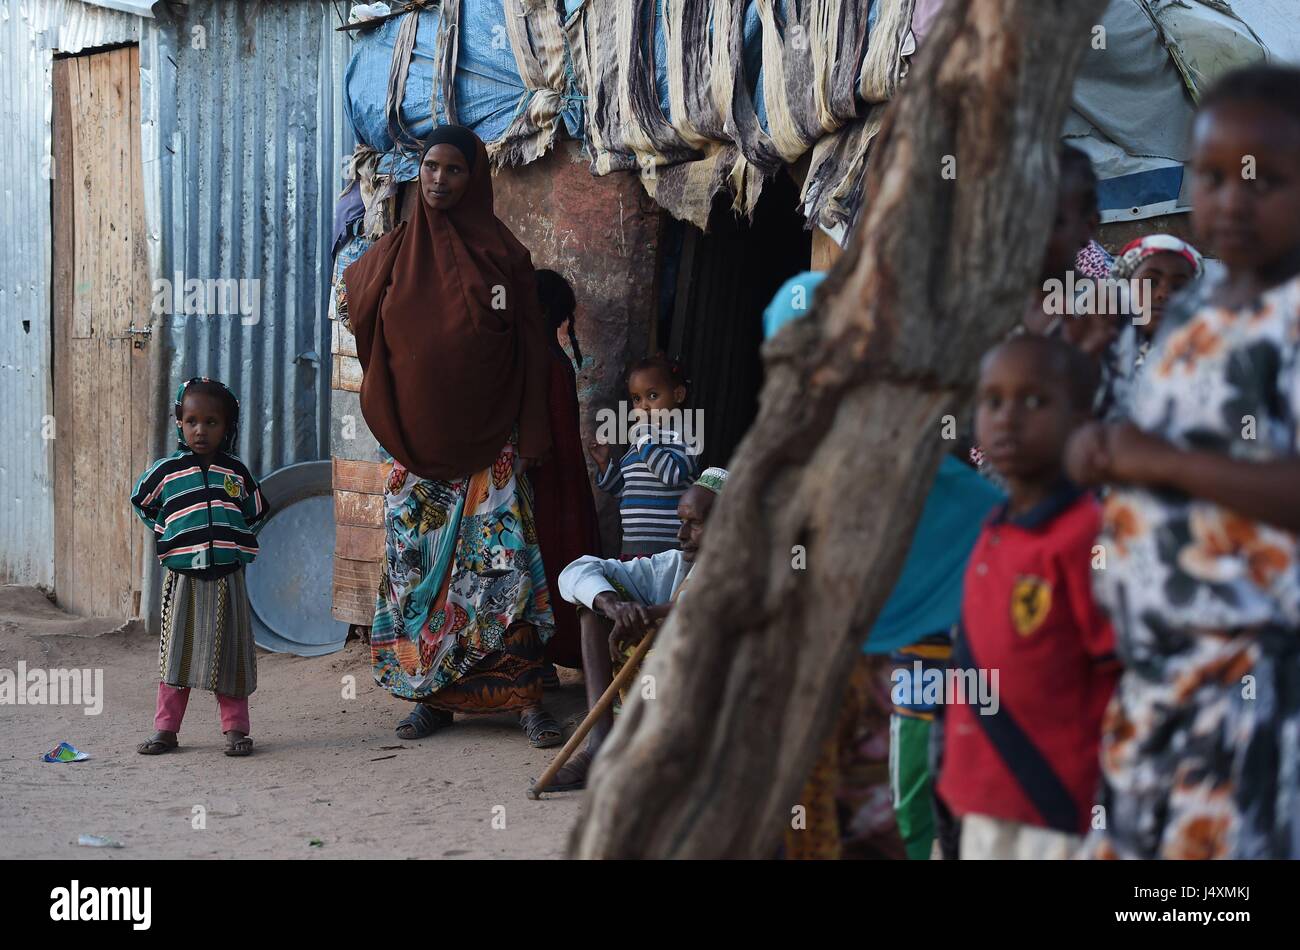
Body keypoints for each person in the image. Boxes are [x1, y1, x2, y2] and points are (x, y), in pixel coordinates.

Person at [1067, 65, 1300, 859]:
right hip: (1151, 679)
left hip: (1251, 691)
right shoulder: (1188, 336)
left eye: (1263, 181)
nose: (1231, 199)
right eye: (1212, 177)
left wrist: (1161, 465)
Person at [340, 125, 564, 748]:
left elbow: (530, 353)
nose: (438, 180)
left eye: (453, 170)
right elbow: (358, 309)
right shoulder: (393, 251)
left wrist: (534, 432)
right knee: (417, 576)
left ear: (476, 178)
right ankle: (430, 699)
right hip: (414, 451)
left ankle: (523, 701)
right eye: (430, 168)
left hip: (490, 449)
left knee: (501, 570)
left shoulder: (504, 258)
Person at [938, 336, 1121, 859]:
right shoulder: (992, 528)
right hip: (980, 797)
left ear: (1082, 418)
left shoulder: (1089, 535)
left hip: (1056, 806)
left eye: (1034, 401)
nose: (1007, 419)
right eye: (991, 401)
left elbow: (1117, 669)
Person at [547, 468, 729, 790]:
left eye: (695, 524)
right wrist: (613, 605)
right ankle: (600, 744)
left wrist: (648, 615)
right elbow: (577, 571)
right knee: (593, 609)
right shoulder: (676, 564)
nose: (681, 534)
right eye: (681, 521)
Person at [130, 378, 269, 757]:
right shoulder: (168, 472)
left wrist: (235, 539)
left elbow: (256, 511)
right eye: (191, 421)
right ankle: (166, 729)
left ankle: (236, 730)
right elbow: (142, 501)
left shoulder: (236, 473)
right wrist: (170, 531)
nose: (200, 430)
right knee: (178, 652)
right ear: (179, 422)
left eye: (212, 422)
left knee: (231, 655)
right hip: (184, 578)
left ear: (228, 427)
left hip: (228, 578)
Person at [527, 269, 602, 672]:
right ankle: (549, 657)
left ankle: (542, 658)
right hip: (563, 480)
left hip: (546, 481)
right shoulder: (554, 359)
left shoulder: (542, 361)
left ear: (537, 311)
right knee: (560, 559)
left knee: (545, 563)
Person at [590, 355, 702, 557]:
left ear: (678, 394)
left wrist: (642, 437)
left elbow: (671, 474)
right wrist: (605, 465)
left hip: (670, 550)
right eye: (636, 399)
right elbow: (625, 491)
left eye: (652, 396)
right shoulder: (640, 443)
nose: (644, 406)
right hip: (633, 547)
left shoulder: (685, 436)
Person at [1105, 234, 1205, 420]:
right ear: (1124, 286)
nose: (1163, 294)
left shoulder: (1208, 361)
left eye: (1178, 287)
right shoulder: (1102, 353)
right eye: (1150, 282)